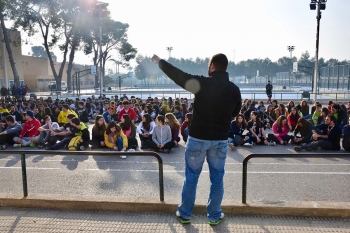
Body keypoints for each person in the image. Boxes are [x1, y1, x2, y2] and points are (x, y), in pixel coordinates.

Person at [151, 53, 241, 225]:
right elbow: (235, 112)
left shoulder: (203, 83)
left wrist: (160, 62)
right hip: (220, 139)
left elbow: (180, 76)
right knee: (217, 179)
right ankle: (214, 216)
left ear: (213, 65)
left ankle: (185, 214)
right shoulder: (234, 89)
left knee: (191, 177)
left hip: (198, 138)